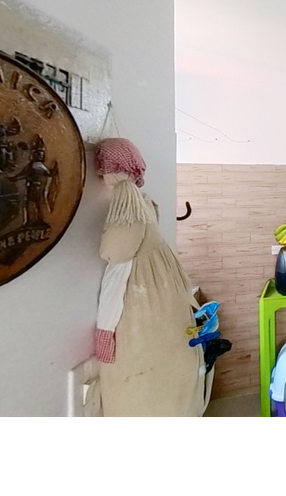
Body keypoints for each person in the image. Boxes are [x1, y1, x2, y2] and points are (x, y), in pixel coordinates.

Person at [95, 138, 207, 417]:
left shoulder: (128, 201)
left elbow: (115, 249)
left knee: (143, 382)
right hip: (167, 293)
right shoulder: (144, 202)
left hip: (144, 300)